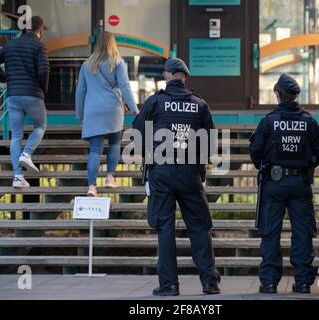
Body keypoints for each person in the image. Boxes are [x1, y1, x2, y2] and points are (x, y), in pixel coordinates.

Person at [132, 58, 221, 297]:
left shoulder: (155, 102)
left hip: (162, 173)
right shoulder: (199, 104)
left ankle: (169, 285)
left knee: (165, 228)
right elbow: (211, 144)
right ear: (185, 77)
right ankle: (209, 282)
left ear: (169, 75)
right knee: (200, 227)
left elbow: (136, 134)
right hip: (190, 173)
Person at [249, 74, 319, 294]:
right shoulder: (309, 121)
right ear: (295, 96)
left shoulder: (269, 121)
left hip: (274, 183)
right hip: (300, 183)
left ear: (278, 94)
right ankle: (302, 282)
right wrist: (305, 167)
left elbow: (255, 152)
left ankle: (270, 282)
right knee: (302, 233)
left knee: (270, 233)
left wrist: (267, 167)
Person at [0, 16, 49, 188]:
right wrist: (44, 90)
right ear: (41, 30)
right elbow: (44, 71)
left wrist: (5, 78)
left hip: (13, 96)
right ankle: (27, 153)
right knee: (40, 126)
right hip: (33, 95)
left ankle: (18, 176)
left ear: (24, 29)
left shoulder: (10, 45)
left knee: (15, 136)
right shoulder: (40, 46)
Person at [76, 31, 139, 197]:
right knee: (114, 144)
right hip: (113, 109)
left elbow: (80, 90)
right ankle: (110, 177)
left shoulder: (87, 65)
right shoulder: (117, 63)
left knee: (95, 149)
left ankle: (91, 187)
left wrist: (80, 113)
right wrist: (134, 108)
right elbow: (125, 87)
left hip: (93, 110)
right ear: (113, 44)